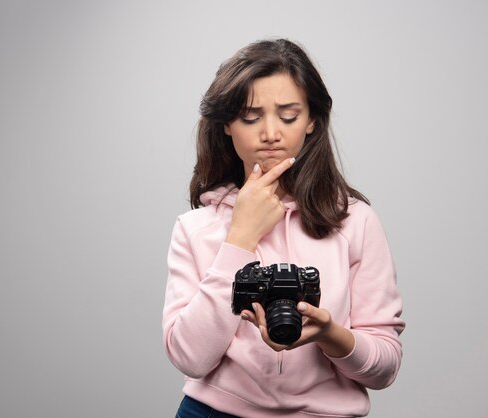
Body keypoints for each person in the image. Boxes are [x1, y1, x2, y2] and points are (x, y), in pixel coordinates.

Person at [162, 39, 405, 418]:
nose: (271, 133)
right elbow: (189, 357)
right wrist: (240, 237)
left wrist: (330, 335)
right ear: (226, 124)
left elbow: (385, 367)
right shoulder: (195, 228)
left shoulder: (355, 222)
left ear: (311, 120)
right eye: (251, 116)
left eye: (289, 115)